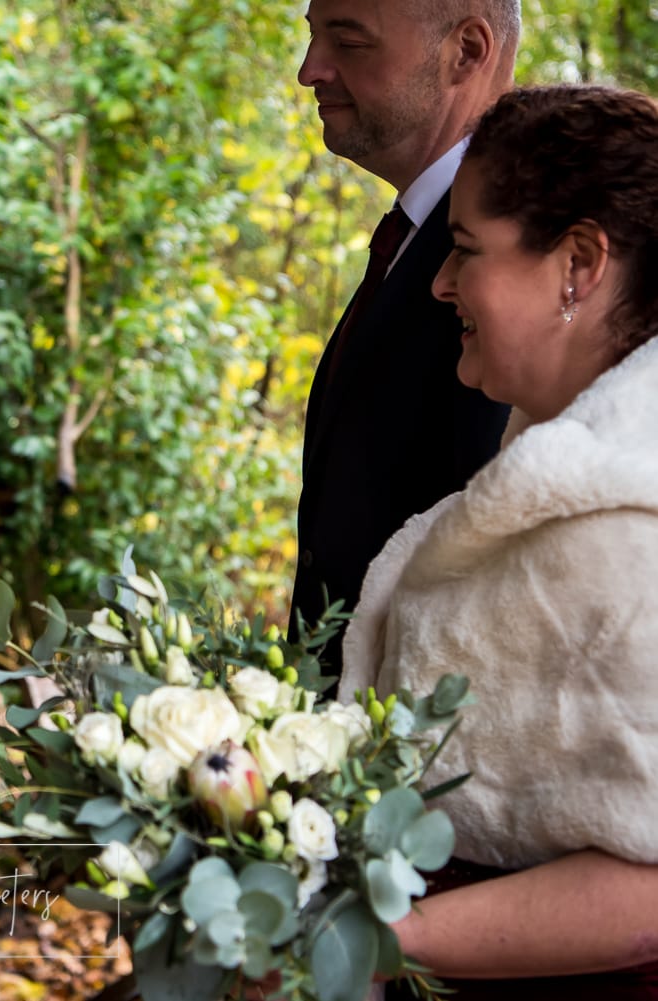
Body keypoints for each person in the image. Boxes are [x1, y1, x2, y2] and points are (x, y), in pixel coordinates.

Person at [340, 84, 658, 999]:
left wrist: (365, 934)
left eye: (466, 249)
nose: (441, 282)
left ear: (577, 263)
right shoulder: (561, 471)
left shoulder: (632, 534)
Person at [290, 0, 517, 676]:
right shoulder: (414, 231)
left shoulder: (517, 254)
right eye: (313, 37)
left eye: (349, 40)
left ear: (465, 52)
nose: (309, 70)